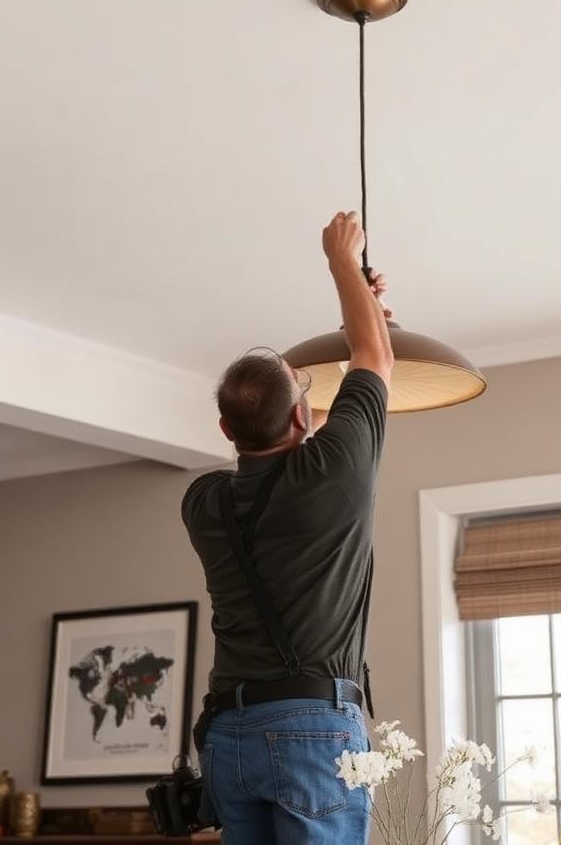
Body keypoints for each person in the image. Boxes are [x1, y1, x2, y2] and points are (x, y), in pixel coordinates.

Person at [182, 210, 393, 844]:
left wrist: (362, 312)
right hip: (312, 728)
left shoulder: (204, 501)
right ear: (302, 417)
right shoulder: (329, 470)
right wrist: (343, 262)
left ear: (225, 429)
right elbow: (375, 359)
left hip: (229, 734)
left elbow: (330, 405)